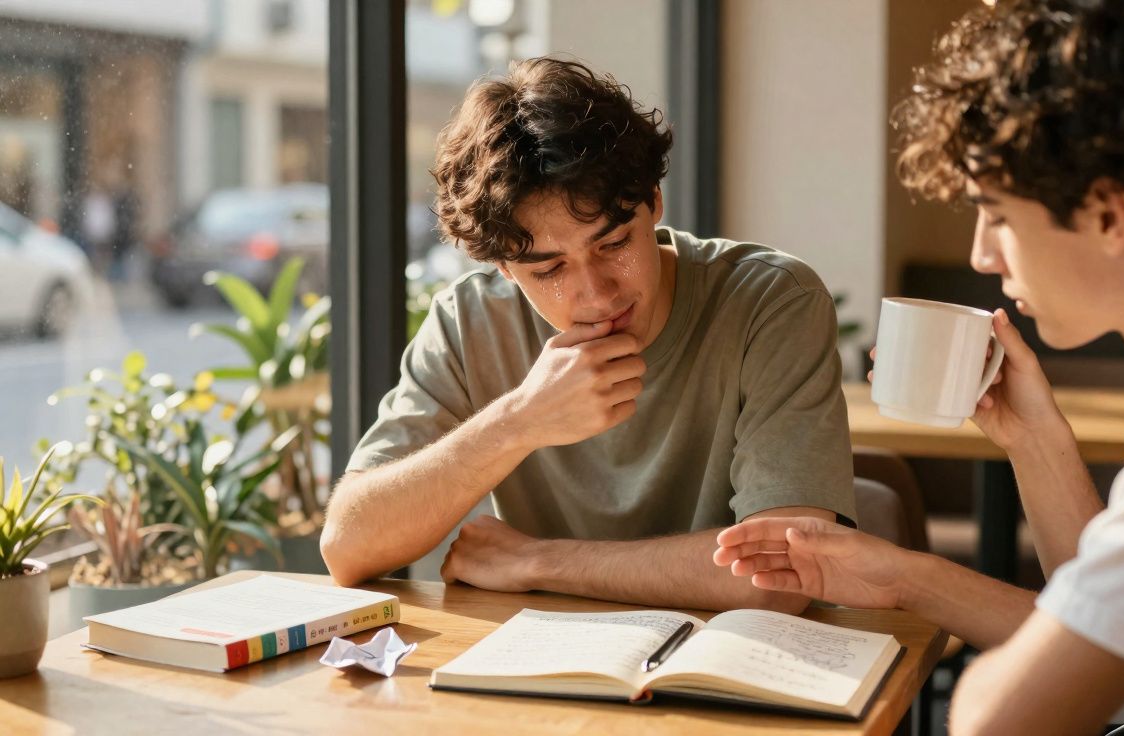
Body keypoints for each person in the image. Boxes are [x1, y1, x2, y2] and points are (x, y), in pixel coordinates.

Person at [714, 1, 1124, 733]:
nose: (981, 255)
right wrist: (1021, 453)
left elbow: (1000, 719)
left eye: (996, 213)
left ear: (1107, 212)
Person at [320, 58, 857, 614]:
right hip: (542, 670)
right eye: (549, 270)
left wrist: (539, 563)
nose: (597, 294)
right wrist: (518, 422)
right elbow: (347, 546)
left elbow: (782, 574)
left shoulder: (771, 301)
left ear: (654, 201)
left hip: (728, 668)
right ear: (505, 268)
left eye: (614, 244)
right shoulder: (470, 322)